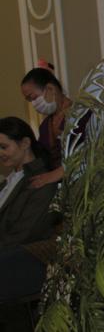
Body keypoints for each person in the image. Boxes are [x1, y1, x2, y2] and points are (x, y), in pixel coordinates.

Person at [0, 117, 57, 301]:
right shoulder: (10, 180)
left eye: (3, 147)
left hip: (21, 261)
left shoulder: (42, 182)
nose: (0, 153)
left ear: (25, 143)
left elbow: (25, 234)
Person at [19, 61, 89, 189]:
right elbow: (43, 159)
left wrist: (56, 174)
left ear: (50, 89)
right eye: (29, 100)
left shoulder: (82, 115)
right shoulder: (45, 126)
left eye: (33, 98)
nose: (33, 104)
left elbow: (92, 153)